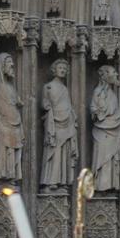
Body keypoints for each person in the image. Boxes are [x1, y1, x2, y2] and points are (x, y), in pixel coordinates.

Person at [40, 58, 78, 192]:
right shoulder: (48, 87)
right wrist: (46, 105)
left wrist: (72, 114)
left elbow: (67, 104)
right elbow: (44, 103)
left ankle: (62, 181)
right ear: (54, 70)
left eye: (64, 69)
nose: (63, 70)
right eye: (60, 68)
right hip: (54, 124)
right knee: (54, 151)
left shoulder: (65, 89)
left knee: (64, 154)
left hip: (66, 123)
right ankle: (51, 182)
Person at [91, 65, 120, 191]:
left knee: (111, 157)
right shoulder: (98, 92)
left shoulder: (112, 93)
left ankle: (110, 184)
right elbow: (94, 110)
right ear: (105, 76)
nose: (116, 75)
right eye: (114, 72)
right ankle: (101, 186)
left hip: (113, 129)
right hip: (103, 130)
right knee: (103, 158)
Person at [0, 52, 23, 181]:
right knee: (3, 151)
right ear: (1, 65)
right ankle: (1, 175)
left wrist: (17, 103)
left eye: (12, 62)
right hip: (2, 124)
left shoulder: (11, 86)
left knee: (13, 151)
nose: (12, 65)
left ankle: (10, 175)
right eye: (8, 62)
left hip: (14, 123)